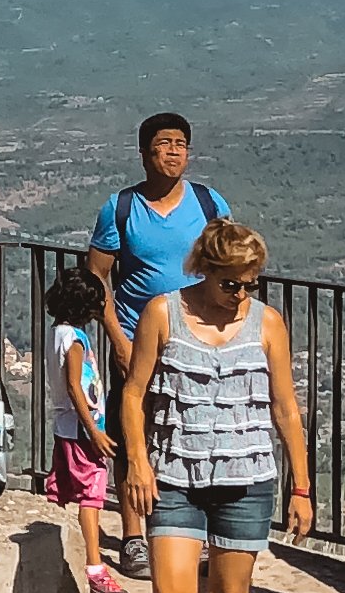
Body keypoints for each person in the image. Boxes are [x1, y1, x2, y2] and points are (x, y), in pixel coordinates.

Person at [118, 219, 308, 593]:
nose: (242, 295)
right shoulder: (163, 313)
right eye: (232, 283)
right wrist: (138, 463)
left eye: (251, 283)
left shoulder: (267, 324)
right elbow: (134, 394)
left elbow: (284, 407)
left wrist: (301, 485)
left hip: (247, 478)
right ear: (206, 272)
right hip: (176, 473)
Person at [83, 113, 235, 460]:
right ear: (144, 153)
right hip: (136, 338)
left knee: (194, 431)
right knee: (130, 436)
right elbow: (96, 277)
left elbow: (230, 263)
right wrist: (118, 340)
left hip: (199, 338)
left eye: (180, 144)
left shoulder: (209, 204)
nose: (173, 152)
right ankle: (133, 514)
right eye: (164, 144)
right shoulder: (120, 208)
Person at [37, 267, 131, 593]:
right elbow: (76, 386)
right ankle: (95, 566)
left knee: (66, 489)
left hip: (67, 427)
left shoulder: (56, 333)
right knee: (92, 496)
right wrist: (95, 432)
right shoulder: (75, 340)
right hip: (81, 429)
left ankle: (61, 550)